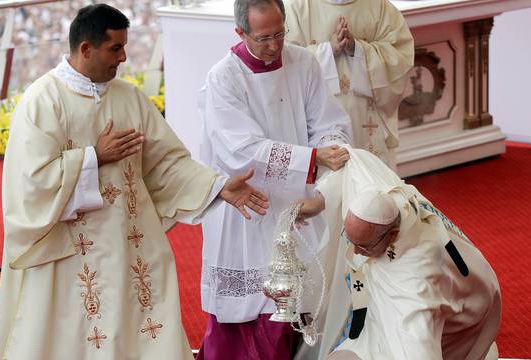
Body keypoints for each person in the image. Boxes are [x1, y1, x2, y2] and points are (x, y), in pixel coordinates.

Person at [0, 4, 269, 360]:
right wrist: (94, 157)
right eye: (115, 49)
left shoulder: (129, 97)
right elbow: (29, 185)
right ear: (85, 49)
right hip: (70, 257)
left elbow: (167, 162)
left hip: (128, 247)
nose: (123, 57)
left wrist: (218, 186)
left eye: (124, 47)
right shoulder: (42, 102)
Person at [196, 0, 353, 358]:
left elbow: (329, 122)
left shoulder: (303, 62)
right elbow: (241, 150)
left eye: (280, 33)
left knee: (300, 303)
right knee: (250, 310)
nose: (275, 45)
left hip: (300, 204)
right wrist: (311, 159)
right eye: (264, 38)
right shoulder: (223, 77)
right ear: (240, 32)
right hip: (247, 206)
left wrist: (331, 149)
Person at [295, 146, 501, 359]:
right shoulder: (375, 193)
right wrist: (318, 203)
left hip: (447, 328)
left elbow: (418, 350)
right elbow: (353, 159)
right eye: (350, 239)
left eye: (364, 247)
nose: (354, 251)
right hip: (375, 326)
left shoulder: (416, 280)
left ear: (392, 236)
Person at [285, 0, 414, 170]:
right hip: (318, 119)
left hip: (366, 116)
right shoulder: (295, 7)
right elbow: (285, 61)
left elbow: (400, 56)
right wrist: (328, 50)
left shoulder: (379, 6)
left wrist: (359, 50)